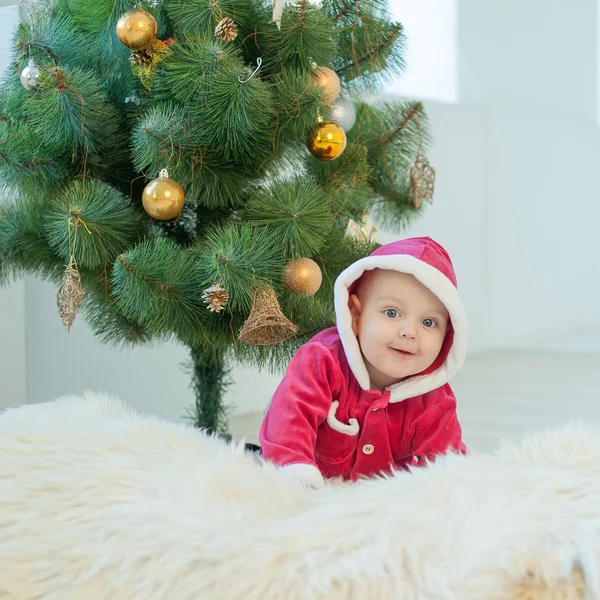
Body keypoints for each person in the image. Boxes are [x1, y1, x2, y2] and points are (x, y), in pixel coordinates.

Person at [259, 236, 469, 489]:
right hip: (317, 489)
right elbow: (290, 417)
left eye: (428, 322)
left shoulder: (434, 402)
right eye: (392, 313)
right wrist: (295, 472)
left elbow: (448, 467)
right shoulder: (323, 360)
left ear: (447, 336)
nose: (409, 332)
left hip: (376, 504)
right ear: (356, 316)